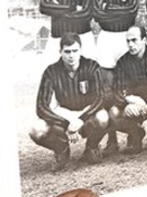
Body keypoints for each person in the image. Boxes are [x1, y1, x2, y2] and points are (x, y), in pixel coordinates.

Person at [28, 33, 108, 171]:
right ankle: (62, 149)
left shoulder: (92, 66)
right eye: (67, 51)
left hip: (85, 112)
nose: (71, 55)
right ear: (60, 52)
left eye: (75, 51)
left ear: (81, 50)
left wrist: (81, 120)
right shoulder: (51, 71)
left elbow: (100, 98)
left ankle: (91, 147)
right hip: (64, 113)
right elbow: (41, 106)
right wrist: (67, 123)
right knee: (36, 129)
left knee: (103, 117)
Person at [92, 0, 140, 153]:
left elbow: (132, 10)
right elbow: (97, 13)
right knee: (107, 86)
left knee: (130, 83)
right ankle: (112, 139)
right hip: (106, 37)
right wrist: (118, 9)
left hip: (125, 36)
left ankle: (133, 133)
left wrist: (109, 8)